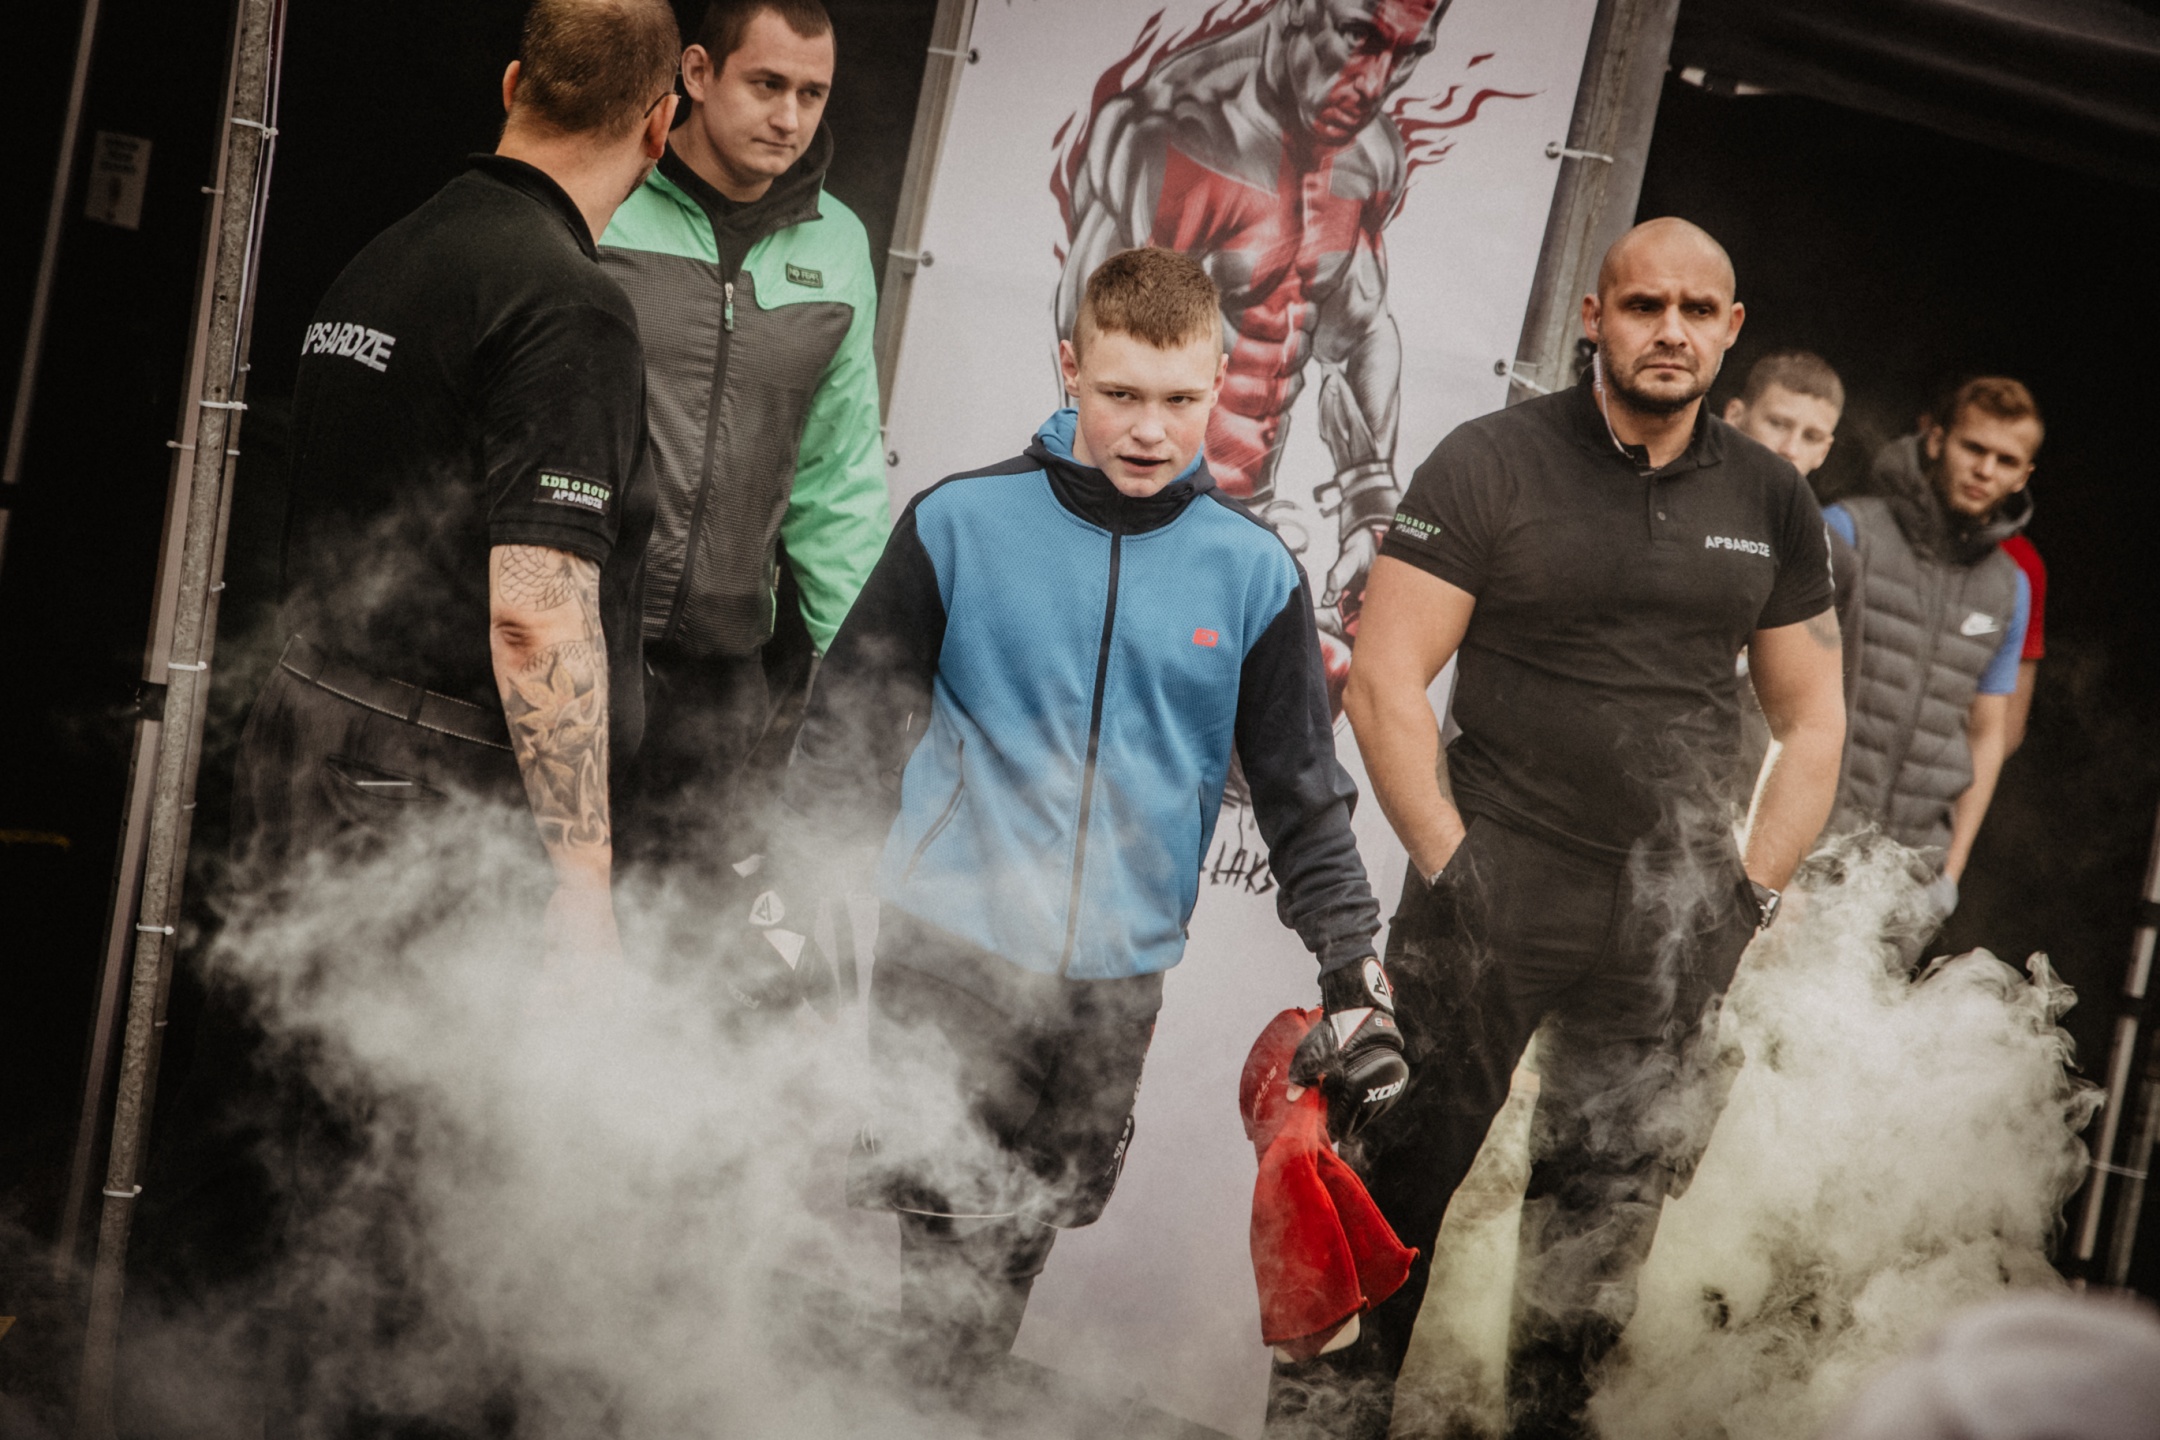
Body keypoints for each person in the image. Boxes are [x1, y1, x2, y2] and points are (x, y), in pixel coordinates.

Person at [754, 247, 1402, 1384]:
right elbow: (851, 727)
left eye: (1180, 400)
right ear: (1069, 367)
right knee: (944, 1249)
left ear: (1218, 384)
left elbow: (1303, 791)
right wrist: (790, 899)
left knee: (1014, 1247)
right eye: (1120, 394)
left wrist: (1354, 970)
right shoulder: (959, 521)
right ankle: (921, 1401)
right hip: (947, 950)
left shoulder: (1253, 573)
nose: (1149, 430)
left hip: (1115, 982)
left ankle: (930, 1396)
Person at [1306, 218, 1847, 1438]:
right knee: (1391, 1205)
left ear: (1732, 330)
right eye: (1644, 306)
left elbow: (1814, 724)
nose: (1671, 331)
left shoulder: (1773, 498)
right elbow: (1385, 680)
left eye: (1697, 311)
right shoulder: (1490, 461)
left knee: (1594, 1257)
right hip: (1496, 877)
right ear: (1593, 317)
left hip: (1673, 914)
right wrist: (1455, 868)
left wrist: (1745, 898)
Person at [238, 0, 677, 968]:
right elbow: (536, 615)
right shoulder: (571, 307)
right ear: (660, 125)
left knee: (279, 1052)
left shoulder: (389, 254)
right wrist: (582, 885)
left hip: (303, 726)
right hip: (420, 790)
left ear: (515, 87)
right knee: (390, 1071)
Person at [1054, 0, 1452, 710]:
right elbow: (1098, 359)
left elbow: (1358, 329)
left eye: (1406, 53)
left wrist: (1369, 504)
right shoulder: (1177, 134)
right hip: (1136, 524)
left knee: (1320, 694)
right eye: (1358, 37)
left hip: (1243, 529)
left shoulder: (1371, 156)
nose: (1375, 82)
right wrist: (1124, 547)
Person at [598, 0, 887, 874]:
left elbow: (838, 477)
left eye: (812, 93)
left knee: (681, 946)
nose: (790, 118)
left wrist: (864, 675)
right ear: (695, 73)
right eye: (767, 84)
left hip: (721, 686)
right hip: (577, 648)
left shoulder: (840, 244)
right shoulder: (603, 200)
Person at [1825, 377, 2039, 923]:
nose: (1985, 470)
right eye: (1974, 448)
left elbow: (1986, 735)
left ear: (2024, 475)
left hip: (1909, 878)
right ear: (1938, 440)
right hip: (1810, 850)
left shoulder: (2010, 588)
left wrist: (1950, 874)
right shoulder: (1848, 530)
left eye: (2006, 460)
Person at [1721, 350, 1856, 770]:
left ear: (1824, 451)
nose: (1790, 449)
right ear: (1734, 415)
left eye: (1811, 437)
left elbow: (1827, 711)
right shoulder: (1673, 506)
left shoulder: (1835, 557)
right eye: (1778, 423)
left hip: (1749, 777)